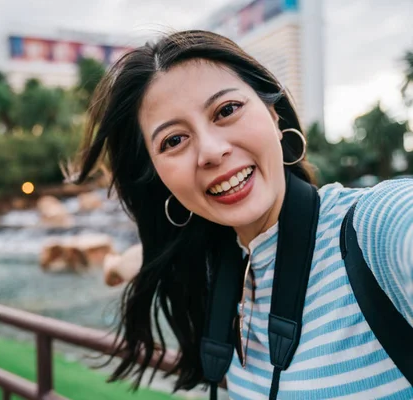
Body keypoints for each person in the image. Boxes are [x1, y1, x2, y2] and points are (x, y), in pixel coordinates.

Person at [71, 30, 413, 399]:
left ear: (272, 113)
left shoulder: (375, 228)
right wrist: (113, 265)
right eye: (173, 140)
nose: (212, 151)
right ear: (158, 177)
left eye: (226, 110)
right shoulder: (218, 263)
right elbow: (145, 260)